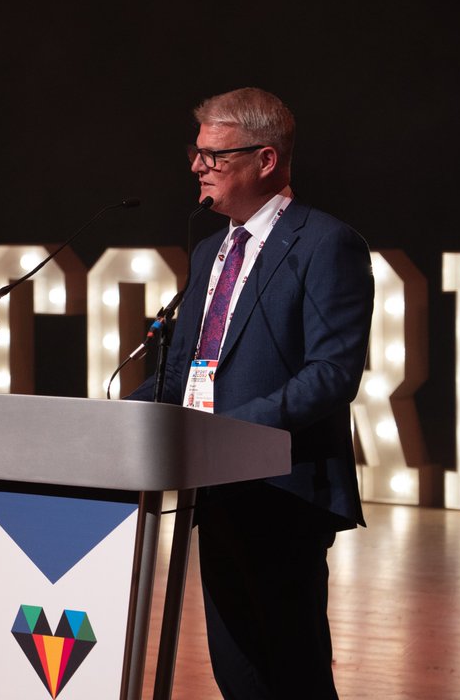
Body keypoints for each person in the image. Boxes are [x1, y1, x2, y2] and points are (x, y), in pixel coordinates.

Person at [128, 87, 374, 698]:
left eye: (214, 156)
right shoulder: (212, 251)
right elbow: (185, 366)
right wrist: (117, 419)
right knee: (235, 668)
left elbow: (332, 373)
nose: (196, 167)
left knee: (293, 671)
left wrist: (231, 431)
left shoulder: (325, 244)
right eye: (197, 153)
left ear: (265, 160)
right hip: (214, 488)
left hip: (281, 487)